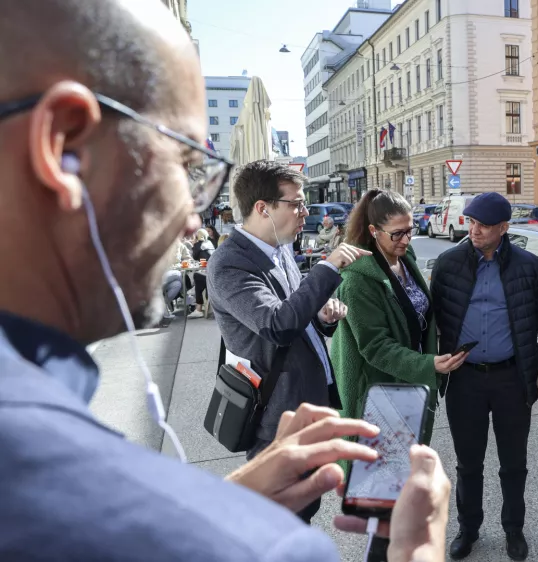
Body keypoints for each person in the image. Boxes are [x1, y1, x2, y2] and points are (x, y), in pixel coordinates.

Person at [0, 0, 450, 560]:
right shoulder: (261, 546)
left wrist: (228, 502)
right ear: (63, 147)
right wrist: (418, 548)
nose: (193, 220)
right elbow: (276, 325)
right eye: (187, 165)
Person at [208, 160, 368, 521]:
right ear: (262, 208)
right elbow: (277, 325)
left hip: (303, 400)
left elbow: (295, 313)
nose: (305, 212)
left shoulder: (278, 248)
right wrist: (328, 267)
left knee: (306, 506)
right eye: (296, 204)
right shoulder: (229, 264)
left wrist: (321, 316)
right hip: (276, 415)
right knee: (281, 519)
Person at [332, 189, 468, 562]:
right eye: (398, 233)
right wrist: (428, 364)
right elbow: (374, 347)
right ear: (373, 231)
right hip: (379, 398)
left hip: (406, 390)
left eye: (411, 230)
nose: (407, 240)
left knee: (399, 490)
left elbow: (420, 316)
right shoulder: (357, 279)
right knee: (384, 500)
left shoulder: (402, 259)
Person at [430, 192, 538, 561]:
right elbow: (436, 316)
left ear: (503, 228)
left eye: (483, 224)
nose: (474, 230)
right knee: (468, 463)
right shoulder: (448, 264)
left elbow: (532, 318)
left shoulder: (529, 267)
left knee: (514, 463)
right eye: (471, 222)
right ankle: (468, 529)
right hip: (465, 379)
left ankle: (514, 529)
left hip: (511, 378)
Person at [187, 227, 214, 318]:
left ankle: (197, 307)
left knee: (196, 276)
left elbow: (194, 257)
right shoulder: (210, 243)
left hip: (206, 273)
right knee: (198, 277)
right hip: (213, 273)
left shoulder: (198, 244)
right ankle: (198, 303)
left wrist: (193, 245)